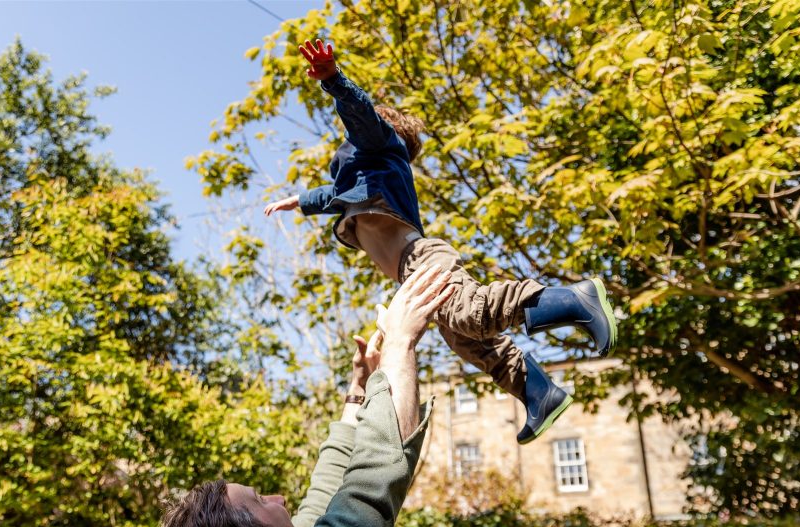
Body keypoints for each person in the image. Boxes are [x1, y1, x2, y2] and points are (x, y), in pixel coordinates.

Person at [264, 39, 618, 443]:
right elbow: (334, 195)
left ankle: (577, 300)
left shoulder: (379, 143)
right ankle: (540, 394)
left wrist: (334, 80)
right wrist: (301, 201)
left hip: (421, 259)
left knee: (472, 312)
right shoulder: (362, 181)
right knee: (470, 342)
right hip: (409, 274)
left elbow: (361, 116)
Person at [154, 264, 455, 527]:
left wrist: (359, 391)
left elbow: (326, 497)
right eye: (261, 502)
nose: (279, 499)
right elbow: (369, 491)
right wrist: (400, 342)